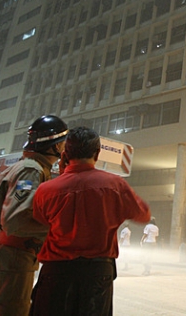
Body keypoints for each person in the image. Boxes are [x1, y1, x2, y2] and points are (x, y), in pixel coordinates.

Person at [30, 126, 151, 316]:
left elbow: (40, 219)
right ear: (97, 153)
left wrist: (63, 176)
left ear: (66, 154)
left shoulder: (46, 190)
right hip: (97, 273)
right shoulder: (115, 185)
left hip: (56, 272)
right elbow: (143, 214)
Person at [0, 115, 68, 316]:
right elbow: (15, 220)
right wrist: (57, 229)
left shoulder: (29, 167)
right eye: (63, 144)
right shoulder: (31, 171)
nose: (64, 148)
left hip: (11, 259)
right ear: (54, 145)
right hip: (13, 261)